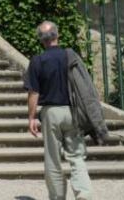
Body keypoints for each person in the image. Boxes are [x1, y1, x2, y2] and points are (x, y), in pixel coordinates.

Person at [25, 21, 93, 200]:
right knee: (77, 155)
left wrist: (32, 117)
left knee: (53, 159)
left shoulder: (37, 61)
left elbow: (34, 92)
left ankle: (57, 197)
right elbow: (84, 84)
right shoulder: (70, 56)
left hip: (50, 113)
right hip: (72, 111)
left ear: (41, 40)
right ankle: (83, 193)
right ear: (57, 35)